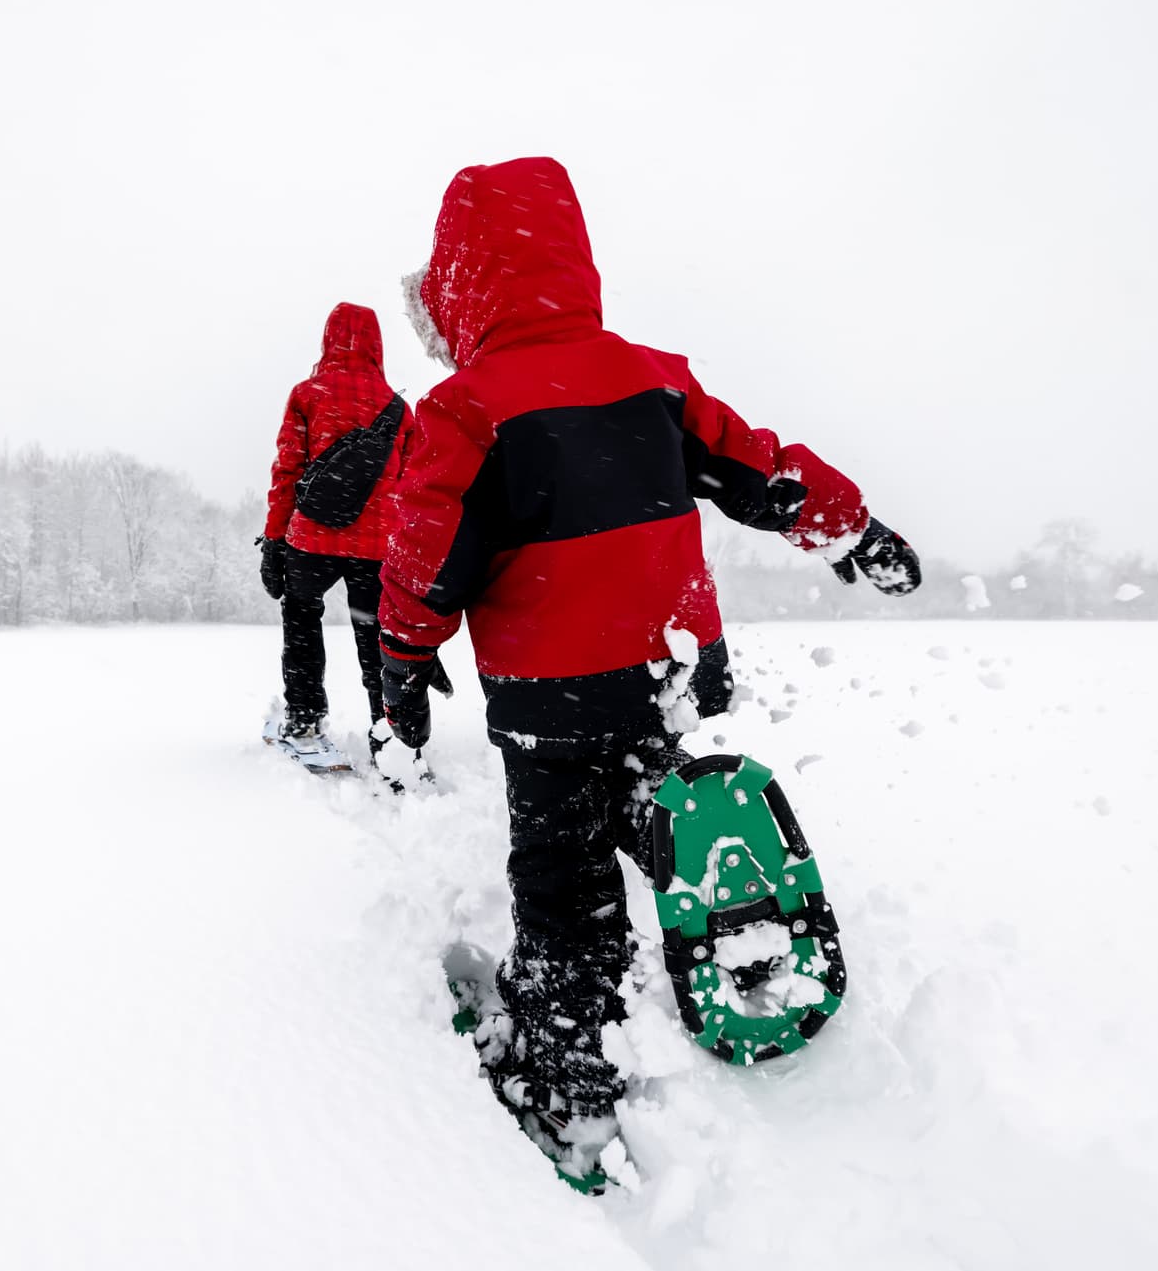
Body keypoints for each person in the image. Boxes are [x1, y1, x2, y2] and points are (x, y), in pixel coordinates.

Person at [377, 158, 921, 1154]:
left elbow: (425, 559)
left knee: (560, 873)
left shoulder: (465, 411)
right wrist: (854, 529)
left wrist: (405, 655)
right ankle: (694, 854)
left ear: (459, 290)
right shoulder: (654, 377)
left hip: (550, 691)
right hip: (669, 664)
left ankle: (575, 1074)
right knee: (640, 776)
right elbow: (761, 470)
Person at [259, 302, 411, 767]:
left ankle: (304, 725)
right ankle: (391, 734)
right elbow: (411, 486)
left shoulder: (308, 394)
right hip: (376, 546)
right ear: (377, 344)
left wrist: (274, 541)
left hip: (313, 540)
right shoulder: (399, 410)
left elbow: (288, 471)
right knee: (375, 636)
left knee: (303, 620)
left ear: (327, 338)